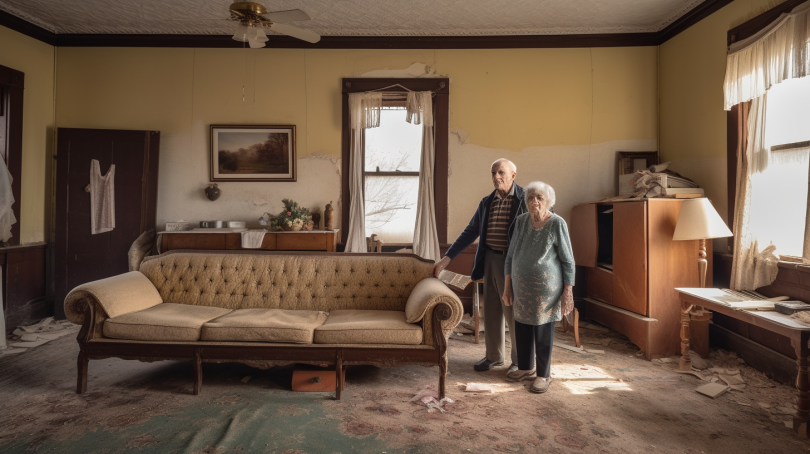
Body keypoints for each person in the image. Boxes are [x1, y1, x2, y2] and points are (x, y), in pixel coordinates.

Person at [433, 158, 526, 372]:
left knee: (512, 311)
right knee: (491, 309)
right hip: (489, 259)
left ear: (513, 175)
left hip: (513, 263)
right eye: (493, 173)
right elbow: (470, 232)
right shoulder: (487, 202)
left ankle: (520, 361)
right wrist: (446, 259)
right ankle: (494, 356)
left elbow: (544, 220)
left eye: (501, 172)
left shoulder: (524, 199)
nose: (496, 177)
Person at [502, 181, 575, 394]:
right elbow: (510, 256)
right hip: (521, 287)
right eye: (531, 197)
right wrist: (507, 286)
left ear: (549, 202)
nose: (534, 201)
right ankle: (525, 367)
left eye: (539, 198)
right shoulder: (521, 221)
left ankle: (544, 375)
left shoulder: (557, 223)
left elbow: (568, 260)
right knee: (522, 327)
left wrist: (568, 290)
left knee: (542, 331)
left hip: (546, 290)